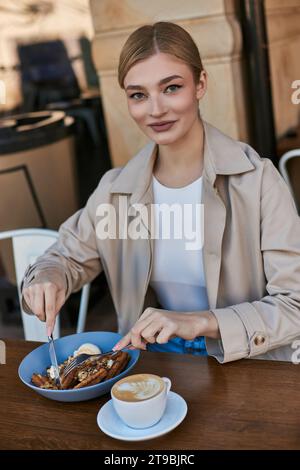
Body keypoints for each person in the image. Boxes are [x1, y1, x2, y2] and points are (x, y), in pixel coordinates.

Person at [21, 22, 300, 363]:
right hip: (153, 362)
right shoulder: (116, 191)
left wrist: (200, 322)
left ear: (200, 84)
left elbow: (294, 304)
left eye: (171, 88)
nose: (155, 110)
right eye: (138, 94)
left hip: (243, 362)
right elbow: (64, 257)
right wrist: (48, 277)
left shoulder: (258, 182)